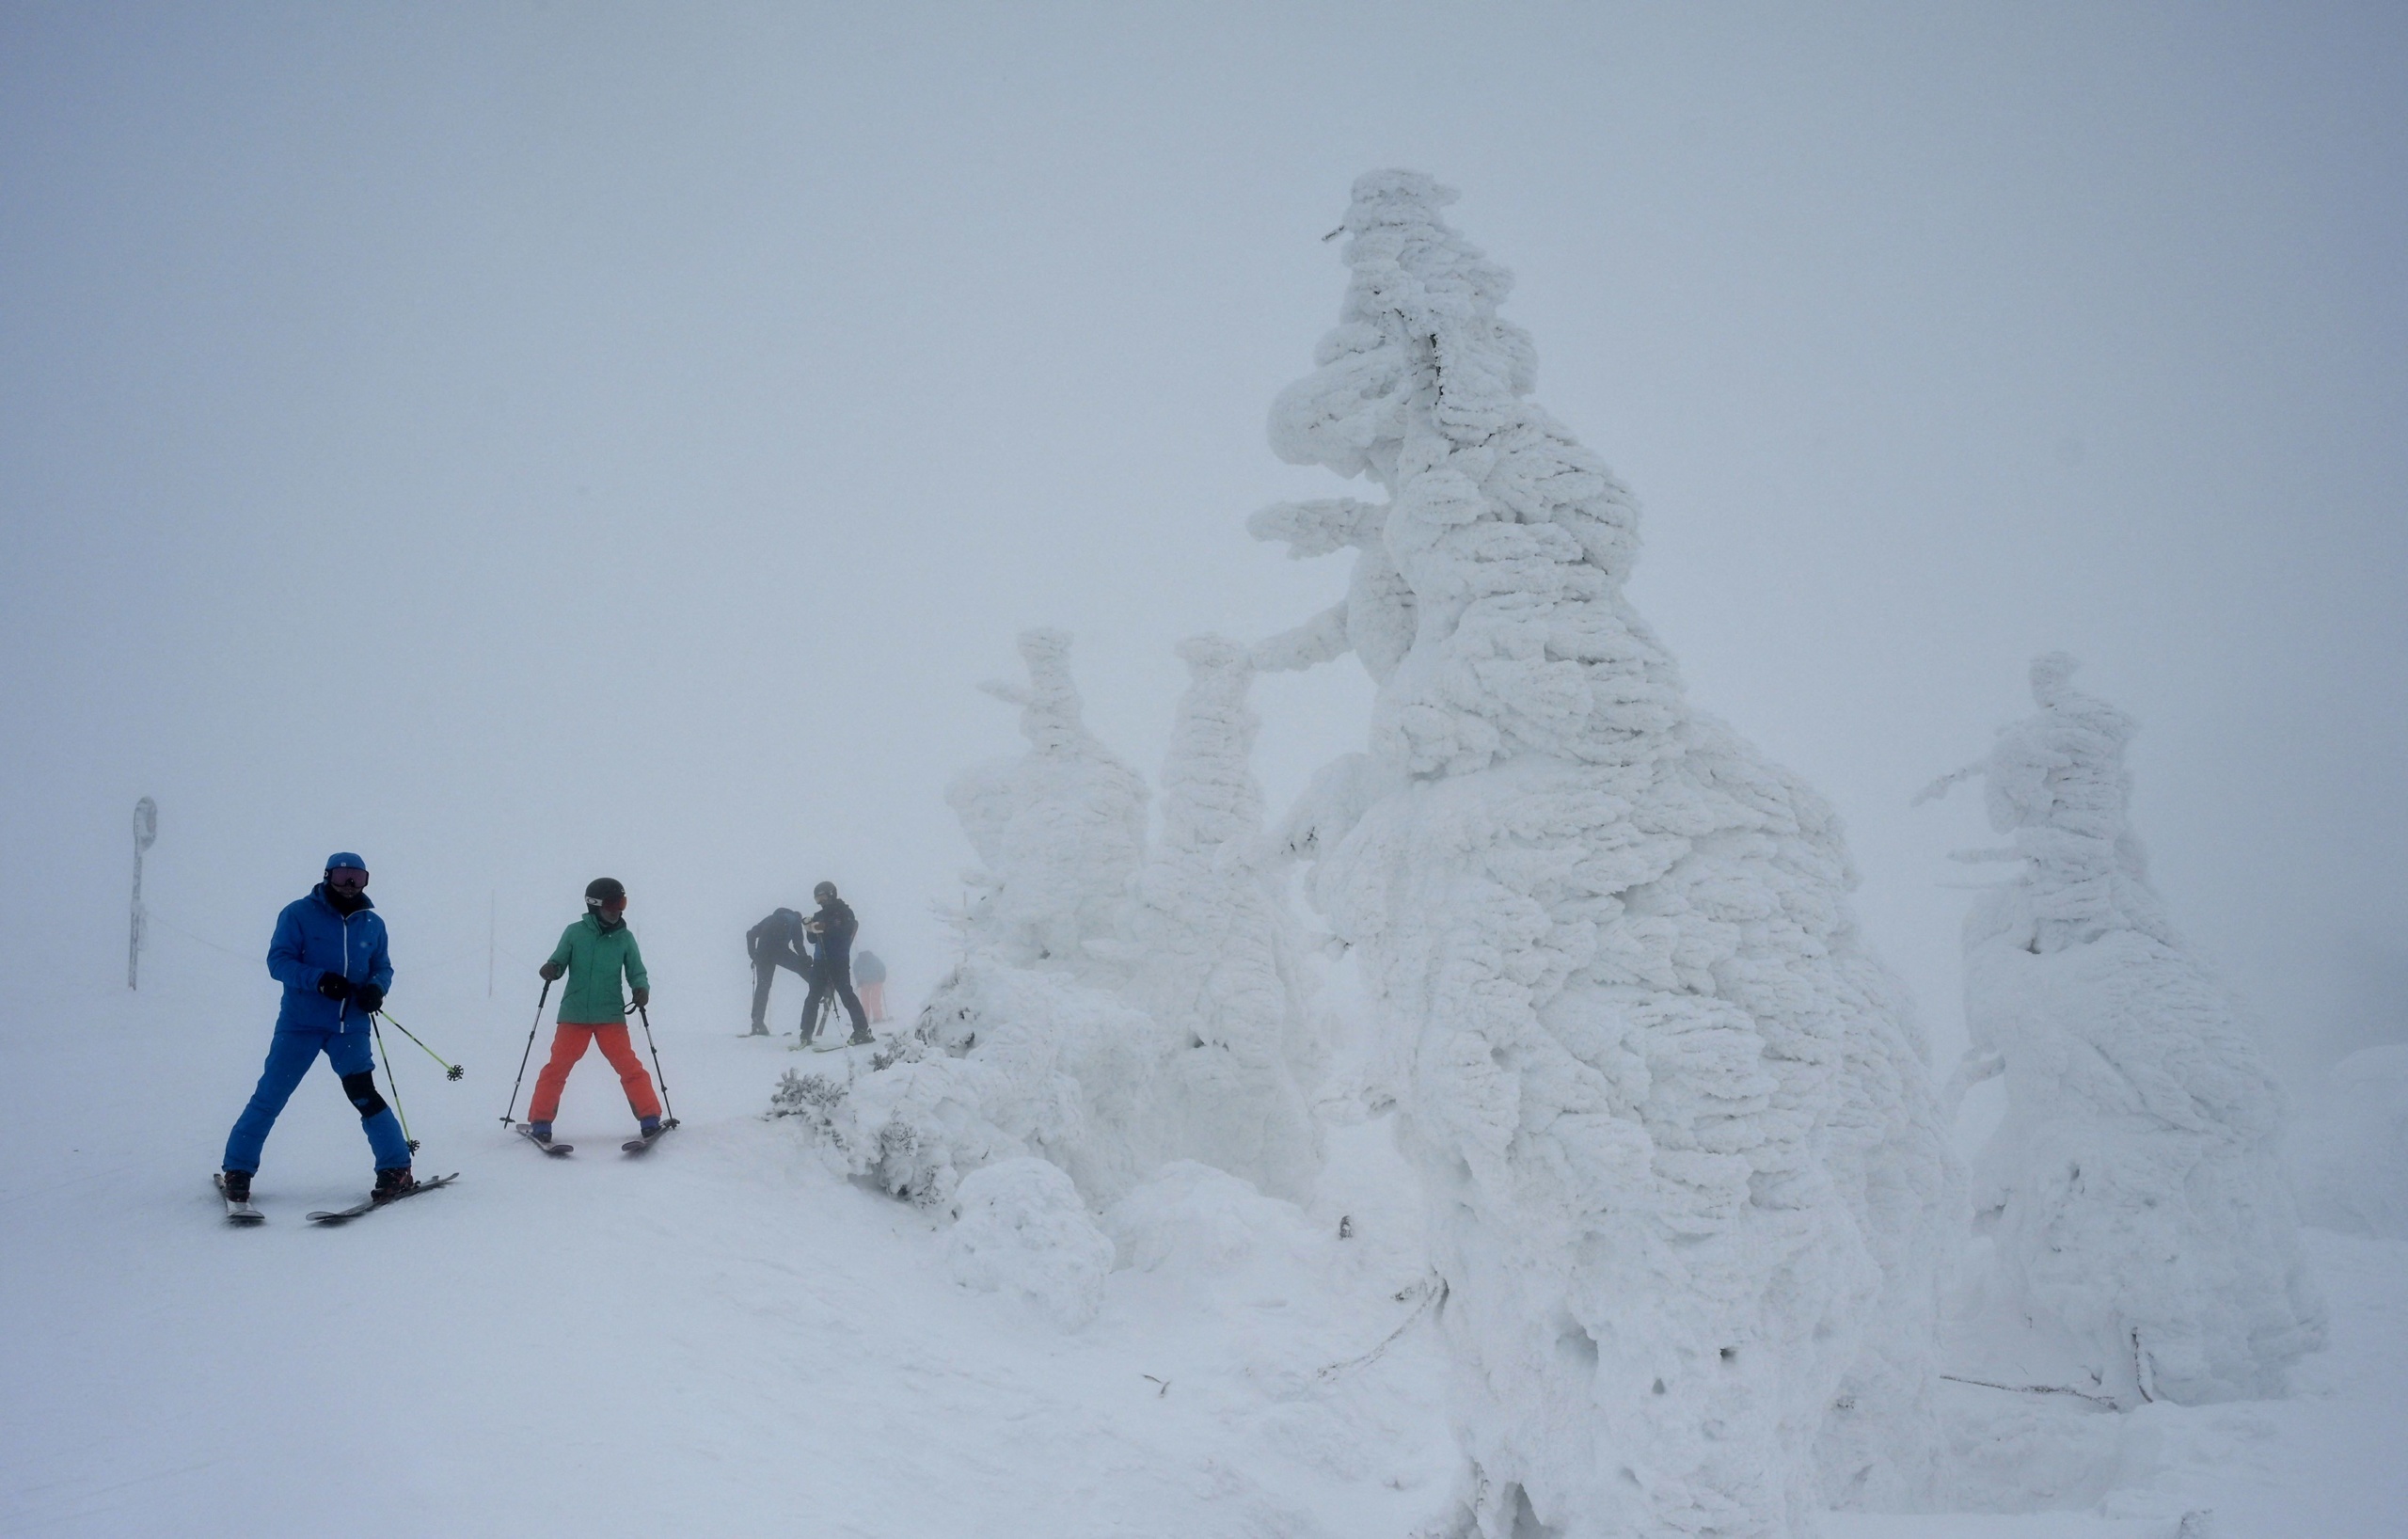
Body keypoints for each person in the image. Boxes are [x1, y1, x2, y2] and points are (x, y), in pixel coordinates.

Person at [220, 852, 414, 1203]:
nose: (350, 884)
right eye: (342, 876)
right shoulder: (298, 914)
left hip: (350, 1028)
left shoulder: (372, 924)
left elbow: (383, 967)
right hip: (300, 1025)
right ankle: (238, 1169)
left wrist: (376, 988)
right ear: (327, 877)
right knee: (271, 1095)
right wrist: (319, 980)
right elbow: (278, 961)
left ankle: (396, 1167)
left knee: (365, 1096)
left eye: (358, 877)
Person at [526, 878, 661, 1144]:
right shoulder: (574, 933)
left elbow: (637, 972)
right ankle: (540, 1122)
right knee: (557, 1069)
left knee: (629, 1067)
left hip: (610, 1015)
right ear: (594, 905)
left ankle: (650, 1118)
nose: (617, 910)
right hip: (574, 1015)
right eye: (612, 904)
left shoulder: (625, 938)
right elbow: (558, 961)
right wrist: (551, 968)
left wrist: (641, 988)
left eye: (622, 904)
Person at [800, 880, 871, 1046]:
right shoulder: (819, 915)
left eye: (822, 897)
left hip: (838, 959)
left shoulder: (844, 912)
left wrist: (824, 927)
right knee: (813, 996)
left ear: (831, 894)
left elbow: (844, 931)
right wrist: (809, 929)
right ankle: (805, 1033)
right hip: (820, 961)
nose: (821, 902)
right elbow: (812, 939)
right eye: (817, 899)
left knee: (845, 993)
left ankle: (862, 1030)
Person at [745, 905, 810, 1037]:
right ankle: (822, 986)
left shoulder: (769, 918)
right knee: (801, 967)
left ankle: (757, 1022)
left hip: (762, 953)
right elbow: (798, 944)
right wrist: (805, 958)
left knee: (763, 986)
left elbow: (750, 934)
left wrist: (754, 955)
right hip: (779, 950)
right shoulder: (795, 920)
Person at [853, 948, 890, 1023]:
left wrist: (882, 977)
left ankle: (874, 1017)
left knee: (871, 1000)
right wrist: (882, 978)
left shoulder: (862, 960)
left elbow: (882, 968)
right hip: (868, 982)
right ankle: (870, 1017)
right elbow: (882, 968)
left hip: (873, 982)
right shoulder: (871, 959)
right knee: (868, 1000)